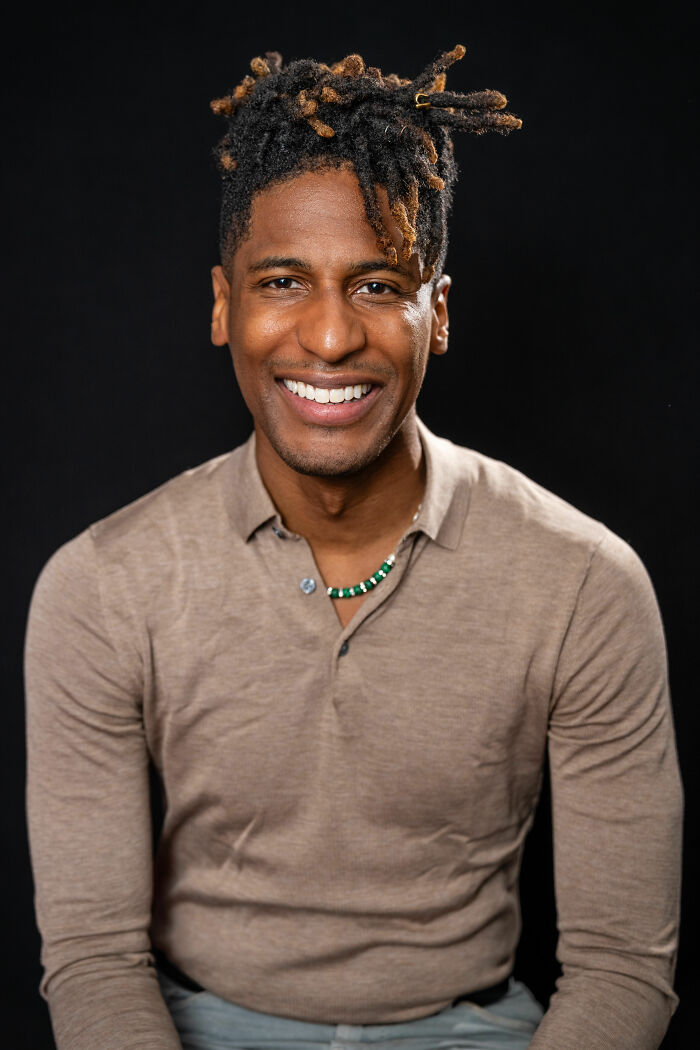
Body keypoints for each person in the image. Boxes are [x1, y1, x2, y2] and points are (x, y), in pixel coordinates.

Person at [25, 45, 682, 1050]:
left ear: (439, 314)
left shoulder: (583, 583)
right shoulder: (101, 585)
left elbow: (620, 970)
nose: (329, 338)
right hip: (193, 1027)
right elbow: (95, 964)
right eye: (283, 281)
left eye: (378, 285)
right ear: (222, 305)